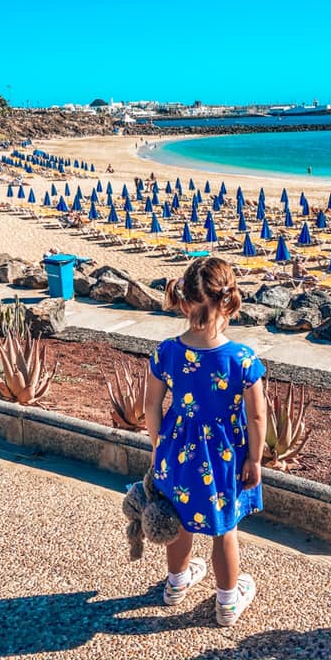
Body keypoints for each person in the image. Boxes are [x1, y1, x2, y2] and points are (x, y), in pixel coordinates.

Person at [144, 257, 267, 627]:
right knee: (224, 528)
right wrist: (256, 460)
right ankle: (227, 602)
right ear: (229, 302)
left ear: (183, 302)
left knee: (179, 520)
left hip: (176, 453)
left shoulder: (166, 351)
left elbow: (151, 405)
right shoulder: (242, 359)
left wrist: (157, 446)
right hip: (223, 457)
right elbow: (259, 417)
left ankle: (176, 585)